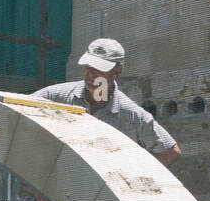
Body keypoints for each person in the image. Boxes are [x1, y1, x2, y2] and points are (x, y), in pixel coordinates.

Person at [34, 37, 180, 166]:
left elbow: (170, 151)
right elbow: (16, 111)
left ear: (116, 73)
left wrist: (132, 173)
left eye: (98, 69)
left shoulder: (132, 115)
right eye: (87, 66)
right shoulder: (54, 96)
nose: (90, 74)